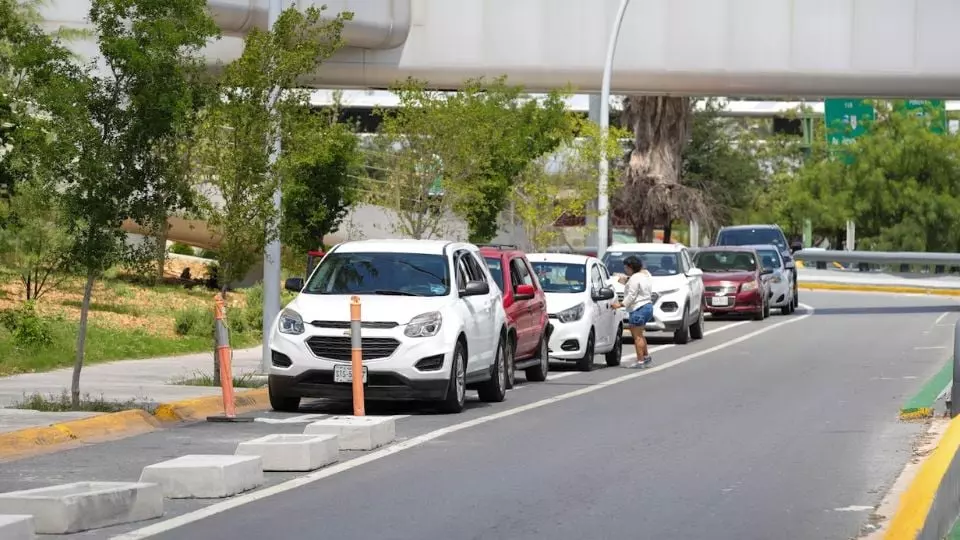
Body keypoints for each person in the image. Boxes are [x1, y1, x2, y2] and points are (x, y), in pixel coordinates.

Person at [611, 256, 654, 368]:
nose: (625, 269)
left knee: (637, 337)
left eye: (626, 267)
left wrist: (620, 304)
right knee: (640, 334)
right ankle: (645, 357)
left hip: (638, 308)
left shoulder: (634, 278)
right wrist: (624, 279)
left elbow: (632, 295)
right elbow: (635, 283)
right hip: (648, 306)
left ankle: (640, 361)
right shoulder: (646, 275)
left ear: (631, 267)